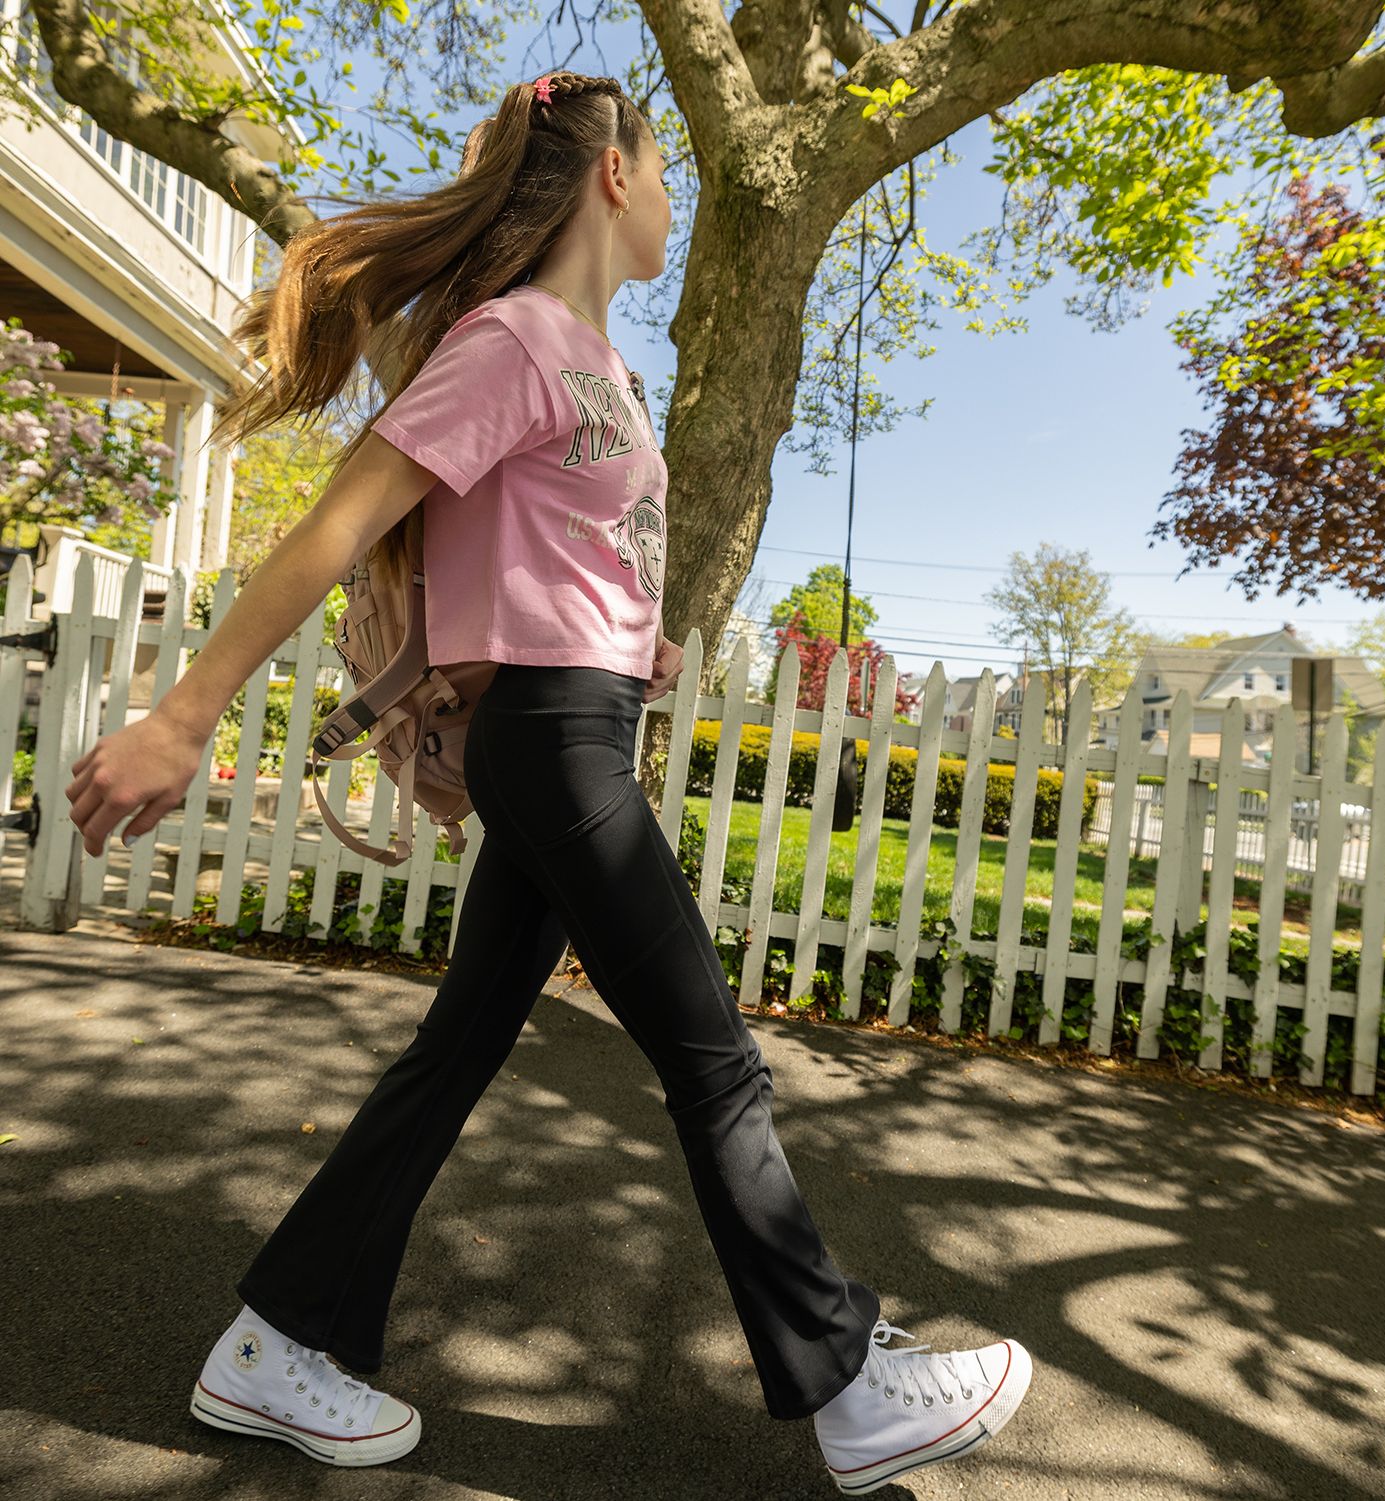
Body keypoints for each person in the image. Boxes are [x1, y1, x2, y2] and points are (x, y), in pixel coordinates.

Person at [63, 70, 1032, 1492]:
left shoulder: (598, 364)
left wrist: (636, 632)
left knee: (457, 1049)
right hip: (554, 747)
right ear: (616, 175)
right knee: (713, 1061)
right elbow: (339, 525)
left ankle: (276, 1341)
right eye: (664, 165)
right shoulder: (512, 340)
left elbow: (549, 558)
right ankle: (846, 1376)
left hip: (576, 725)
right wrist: (184, 711)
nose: (673, 197)